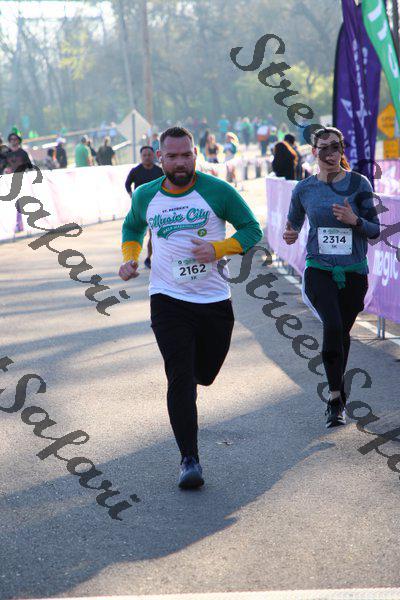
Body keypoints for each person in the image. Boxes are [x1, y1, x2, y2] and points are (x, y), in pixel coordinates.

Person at [119, 126, 262, 488]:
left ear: (195, 155)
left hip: (213, 300)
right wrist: (130, 258)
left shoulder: (218, 191)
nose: (180, 163)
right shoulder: (146, 195)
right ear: (160, 158)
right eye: (172, 156)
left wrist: (219, 249)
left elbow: (251, 229)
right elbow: (132, 228)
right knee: (180, 378)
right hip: (167, 299)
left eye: (186, 155)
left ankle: (193, 379)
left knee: (205, 373)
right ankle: (189, 459)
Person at [283, 126, 380, 428]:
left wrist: (354, 220)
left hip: (353, 273)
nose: (329, 153)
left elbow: (375, 231)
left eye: (335, 147)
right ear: (314, 152)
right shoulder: (304, 189)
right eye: (323, 148)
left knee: (341, 333)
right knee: (333, 325)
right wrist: (289, 234)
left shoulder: (359, 184)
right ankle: (334, 398)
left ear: (342, 150)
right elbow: (293, 224)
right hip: (319, 269)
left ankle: (337, 394)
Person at [125, 146, 164, 269]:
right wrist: (131, 195)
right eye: (144, 155)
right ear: (141, 157)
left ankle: (148, 257)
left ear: (154, 156)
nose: (147, 157)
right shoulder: (135, 171)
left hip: (156, 208)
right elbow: (127, 184)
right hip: (140, 208)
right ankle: (132, 258)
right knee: (138, 234)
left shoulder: (159, 171)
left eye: (149, 155)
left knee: (153, 234)